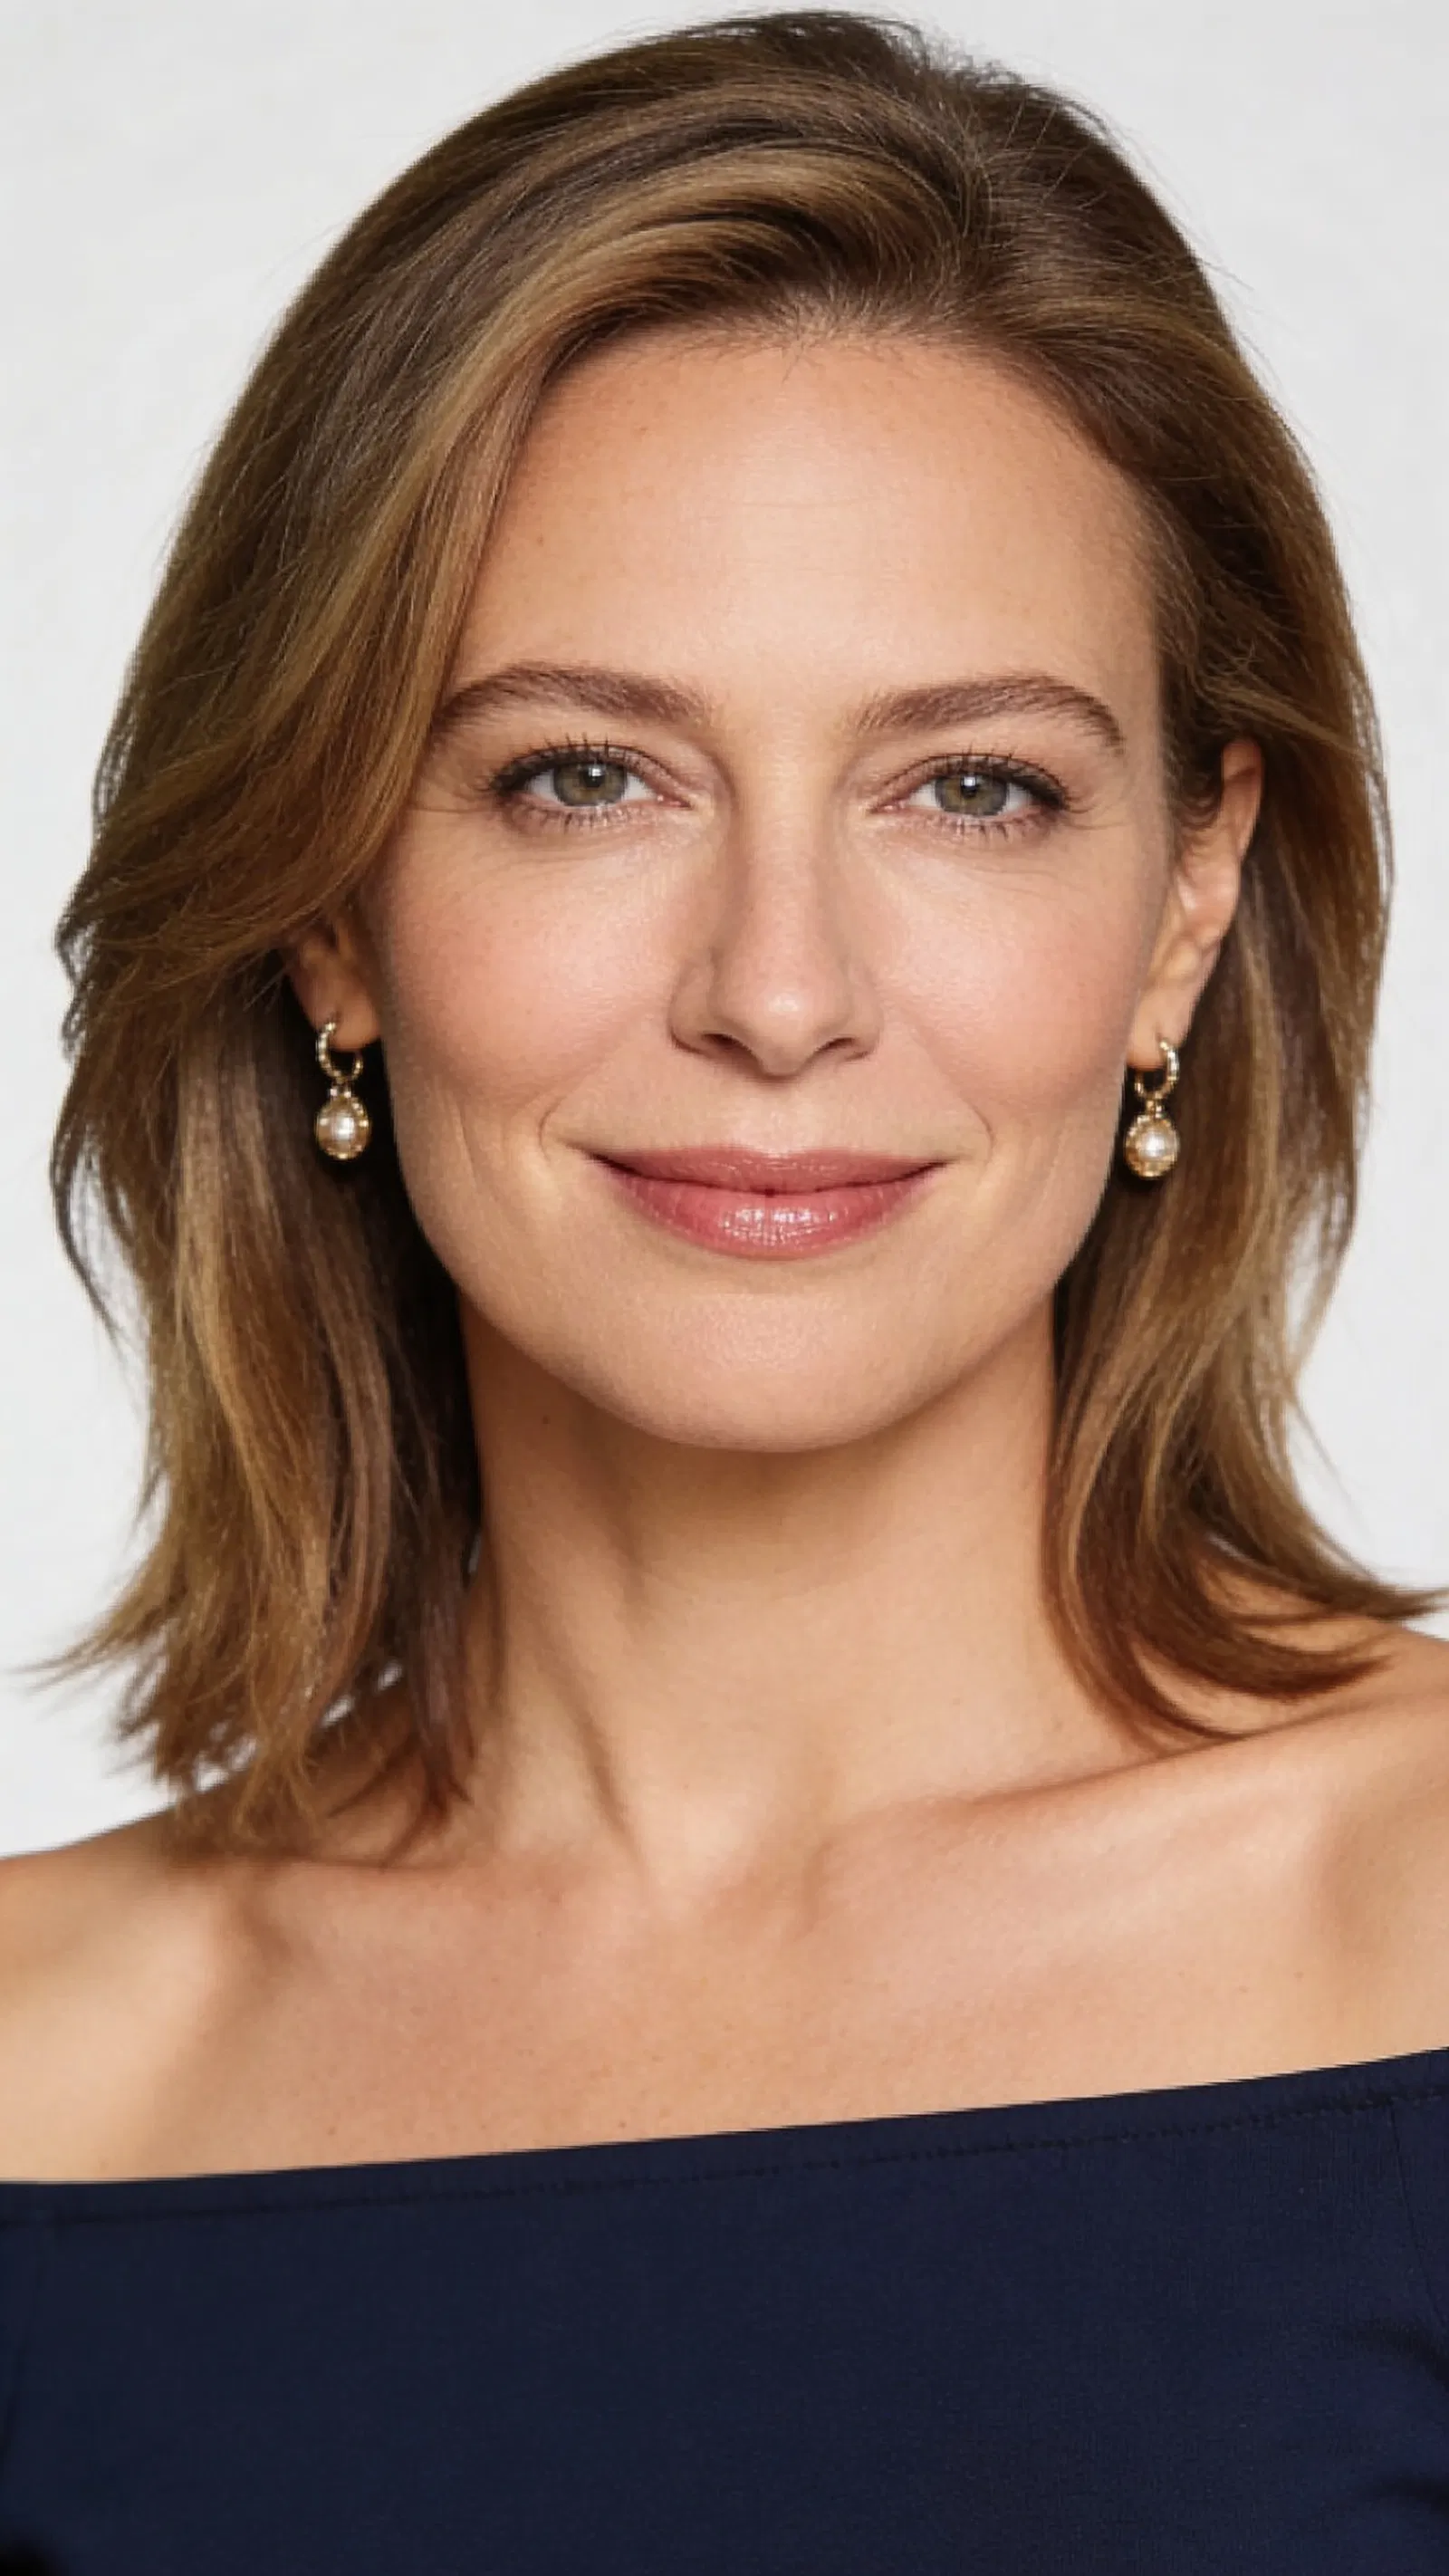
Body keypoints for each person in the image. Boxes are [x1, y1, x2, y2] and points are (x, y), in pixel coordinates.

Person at [2, 10, 1448, 2567]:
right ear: (333, 900)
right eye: (587, 775)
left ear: (1187, 904)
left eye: (970, 785)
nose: (779, 993)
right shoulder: (50, 2082)